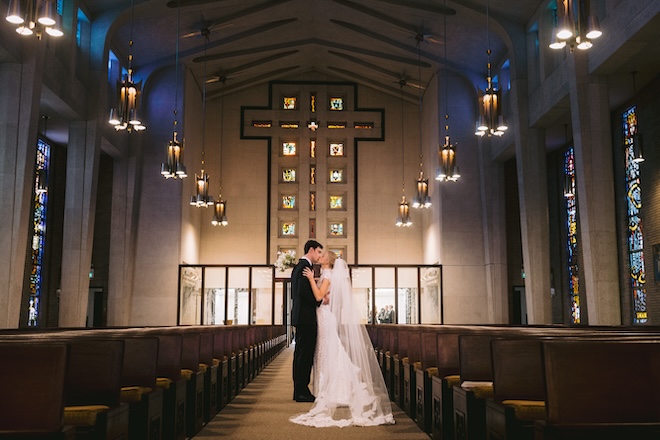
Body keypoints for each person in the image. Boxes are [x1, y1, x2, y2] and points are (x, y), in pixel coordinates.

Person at [290, 251, 395, 427]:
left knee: (328, 349)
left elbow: (318, 296)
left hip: (325, 317)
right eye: (320, 253)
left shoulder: (328, 274)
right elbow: (325, 296)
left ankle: (332, 388)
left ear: (329, 260)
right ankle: (323, 386)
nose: (320, 256)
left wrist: (310, 279)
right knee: (324, 350)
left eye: (323, 255)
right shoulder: (325, 274)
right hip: (323, 315)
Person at [291, 239, 324, 403]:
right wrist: (318, 300)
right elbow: (304, 293)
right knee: (305, 354)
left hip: (301, 316)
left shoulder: (299, 266)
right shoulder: (305, 267)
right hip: (305, 317)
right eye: (318, 252)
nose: (319, 255)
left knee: (301, 354)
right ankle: (302, 390)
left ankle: (299, 389)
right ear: (311, 250)